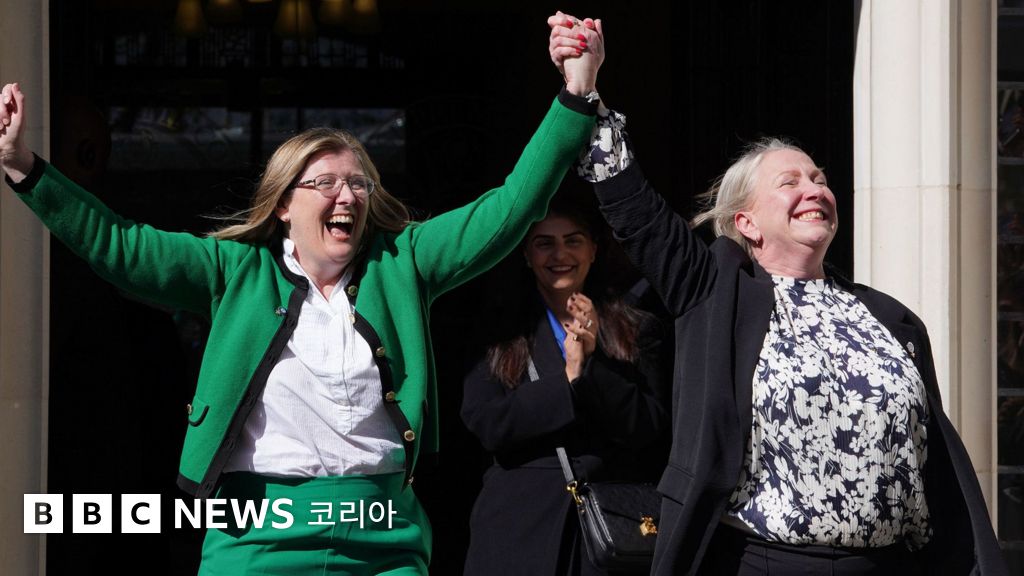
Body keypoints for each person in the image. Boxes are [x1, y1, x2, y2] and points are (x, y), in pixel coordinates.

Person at [0, 16, 603, 575]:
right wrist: (25, 167)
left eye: (359, 183)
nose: (347, 196)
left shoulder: (404, 261)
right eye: (326, 183)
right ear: (285, 205)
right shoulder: (232, 270)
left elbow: (513, 206)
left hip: (382, 534)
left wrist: (575, 94)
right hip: (256, 535)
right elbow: (119, 244)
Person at [548, 15, 1008, 576]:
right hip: (765, 562)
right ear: (747, 222)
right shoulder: (715, 289)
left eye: (818, 178)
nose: (813, 188)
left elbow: (933, 466)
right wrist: (584, 87)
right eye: (789, 183)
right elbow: (633, 207)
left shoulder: (890, 318)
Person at [461, 196, 670, 576]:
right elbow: (487, 424)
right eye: (545, 243)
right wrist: (568, 380)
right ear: (526, 254)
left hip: (610, 526)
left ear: (593, 249)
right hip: (519, 527)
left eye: (573, 240)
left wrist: (593, 367)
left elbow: (650, 426)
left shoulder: (634, 326)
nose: (560, 254)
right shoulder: (499, 329)